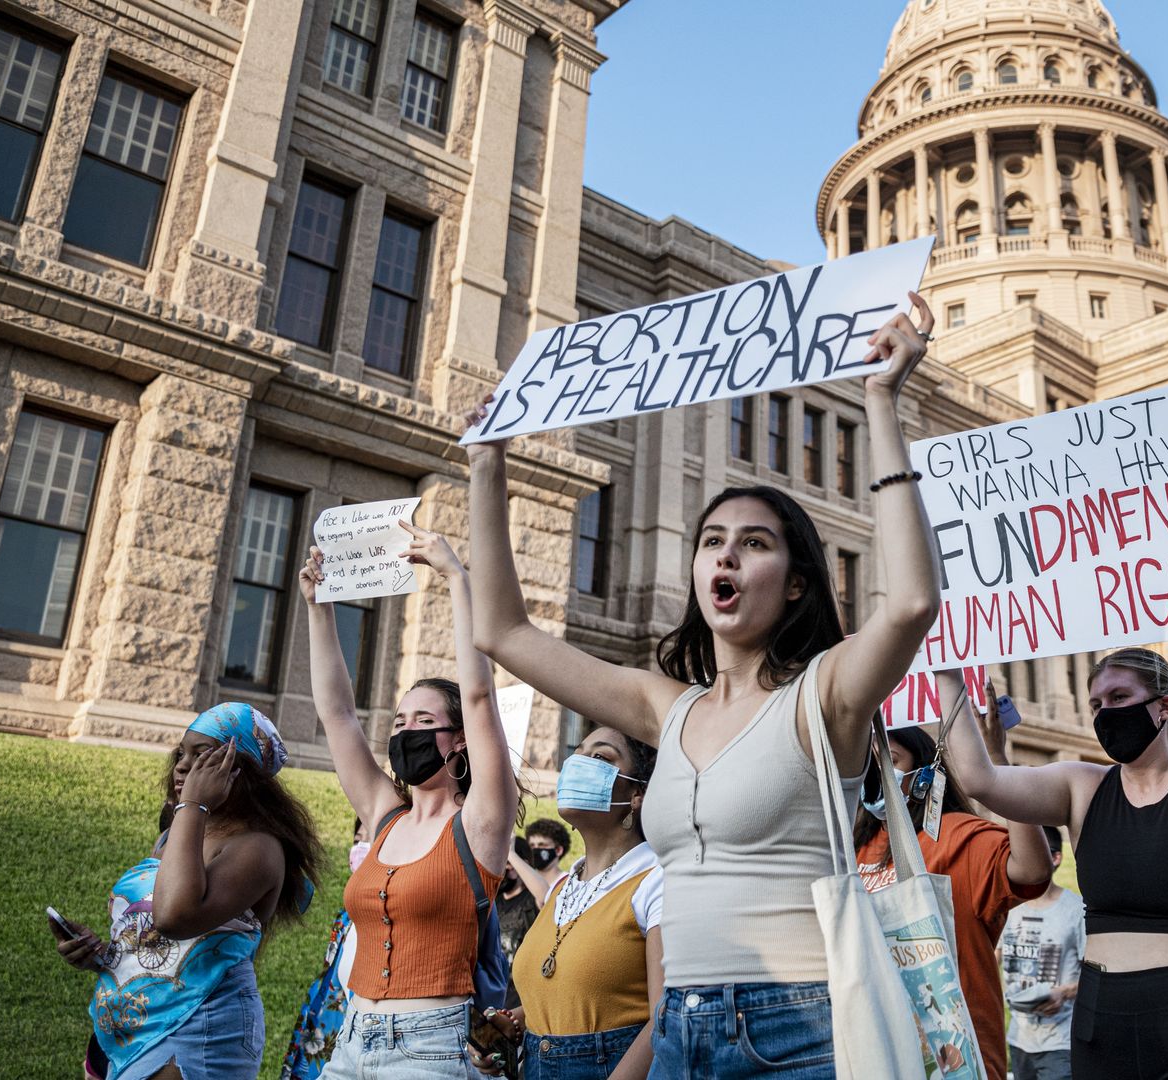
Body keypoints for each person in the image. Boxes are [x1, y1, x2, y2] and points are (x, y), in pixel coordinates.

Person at [467, 295, 942, 1078]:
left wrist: (882, 404)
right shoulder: (666, 705)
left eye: (754, 544)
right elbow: (504, 632)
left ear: (794, 584)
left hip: (798, 1025)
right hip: (681, 1025)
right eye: (713, 542)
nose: (726, 556)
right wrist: (488, 465)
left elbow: (914, 604)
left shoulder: (826, 694)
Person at [939, 620, 1168, 1080]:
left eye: (1119, 699)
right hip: (1105, 1019)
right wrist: (945, 670)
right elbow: (981, 780)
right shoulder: (1082, 785)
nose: (1105, 713)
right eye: (1097, 704)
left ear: (1164, 707)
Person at [300, 521, 518, 1079]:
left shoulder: (481, 824)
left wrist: (455, 577)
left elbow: (478, 693)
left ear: (459, 738)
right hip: (350, 1041)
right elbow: (338, 715)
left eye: (425, 721)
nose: (406, 731)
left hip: (430, 1049)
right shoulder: (383, 816)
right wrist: (318, 607)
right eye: (399, 721)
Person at [54, 703, 322, 1080]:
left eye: (203, 756)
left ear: (240, 770)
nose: (182, 765)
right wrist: (104, 956)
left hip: (199, 1026)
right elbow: (157, 937)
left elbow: (175, 916)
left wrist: (193, 804)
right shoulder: (174, 835)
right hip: (135, 1021)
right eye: (182, 753)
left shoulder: (258, 848)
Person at [853, 712, 1052, 1080]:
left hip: (958, 1057)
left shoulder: (959, 836)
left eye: (890, 760)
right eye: (868, 762)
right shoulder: (857, 849)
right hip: (880, 1049)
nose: (876, 773)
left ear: (925, 771)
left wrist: (999, 767)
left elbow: (1033, 870)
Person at [480, 725, 665, 1079]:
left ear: (637, 793)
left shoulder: (656, 880)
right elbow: (562, 1001)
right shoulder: (563, 889)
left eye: (600, 756)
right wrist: (509, 1027)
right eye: (577, 753)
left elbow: (665, 1019)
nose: (577, 764)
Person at [281, 821, 371, 1079]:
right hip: (320, 1026)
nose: (360, 848)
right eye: (357, 841)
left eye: (370, 838)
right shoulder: (346, 916)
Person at [997, 825, 1086, 1080]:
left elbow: (1097, 975)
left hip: (1060, 1044)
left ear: (1055, 858)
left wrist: (1063, 993)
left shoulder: (1076, 910)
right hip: (1017, 1040)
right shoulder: (1009, 908)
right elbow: (991, 959)